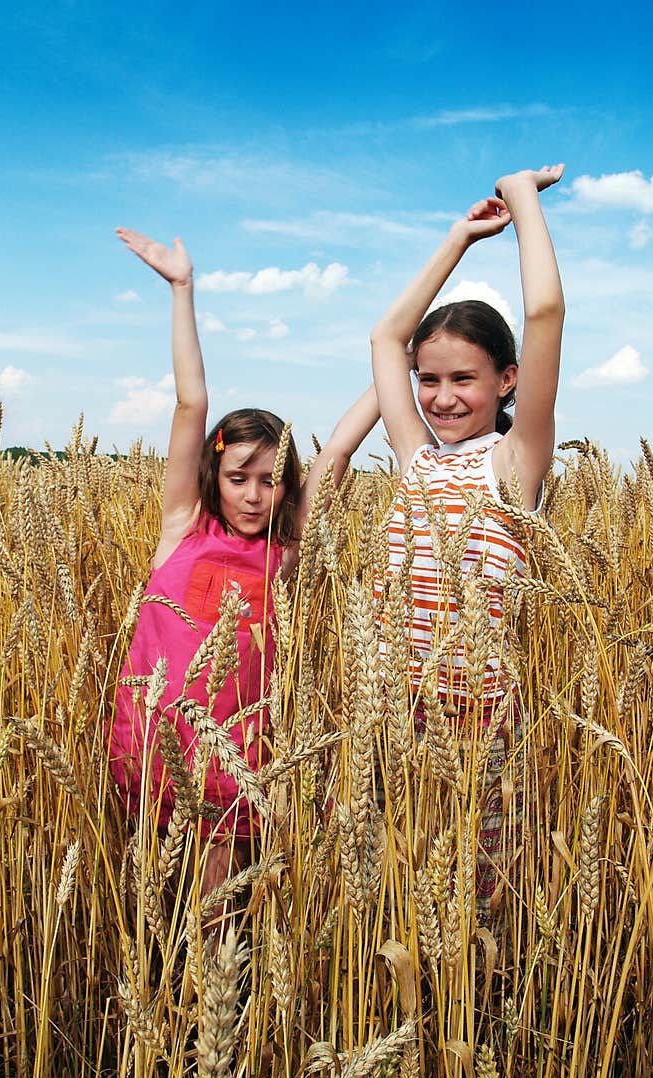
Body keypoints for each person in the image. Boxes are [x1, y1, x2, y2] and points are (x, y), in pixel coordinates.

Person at [107, 226, 380, 919]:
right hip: (154, 749)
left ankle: (205, 1017)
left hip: (237, 764)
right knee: (150, 905)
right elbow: (191, 404)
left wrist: (397, 360)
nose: (255, 494)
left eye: (270, 479)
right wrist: (183, 290)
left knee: (213, 913)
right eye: (238, 477)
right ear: (213, 475)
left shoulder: (283, 556)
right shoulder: (182, 531)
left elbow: (341, 448)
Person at [370, 165, 565, 927]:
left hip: (478, 727)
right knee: (382, 901)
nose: (442, 397)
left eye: (464, 379)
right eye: (429, 379)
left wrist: (519, 203)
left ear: (508, 379)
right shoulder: (415, 455)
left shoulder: (514, 465)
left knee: (470, 917)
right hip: (388, 715)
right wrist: (458, 236)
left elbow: (545, 311)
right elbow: (386, 335)